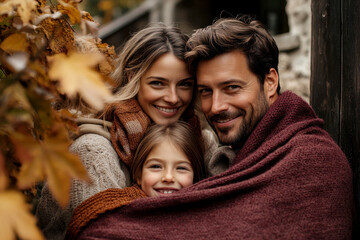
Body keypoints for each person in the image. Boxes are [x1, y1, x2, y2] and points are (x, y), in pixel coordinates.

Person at [72, 16, 355, 239]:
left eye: (231, 87)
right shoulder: (95, 148)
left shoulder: (311, 159)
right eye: (205, 91)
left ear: (270, 82)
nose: (216, 106)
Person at [35, 23, 215, 240]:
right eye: (158, 83)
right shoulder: (95, 151)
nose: (173, 98)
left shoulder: (200, 139)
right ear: (132, 77)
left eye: (184, 85)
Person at [65, 120, 206, 239]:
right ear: (138, 174)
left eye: (181, 168)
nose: (168, 177)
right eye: (156, 166)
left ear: (196, 176)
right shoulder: (117, 207)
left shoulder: (203, 213)